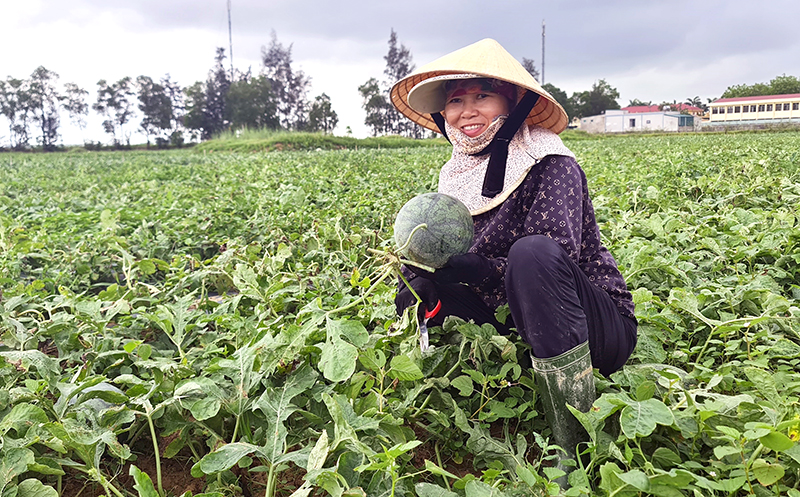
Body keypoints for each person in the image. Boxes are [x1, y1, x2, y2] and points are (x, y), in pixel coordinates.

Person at [390, 39, 637, 481]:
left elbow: (554, 261)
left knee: (532, 251)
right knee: (415, 283)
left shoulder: (550, 161)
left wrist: (486, 269)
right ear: (442, 115)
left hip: (594, 327)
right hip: (518, 323)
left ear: (512, 101)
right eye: (455, 101)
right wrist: (420, 277)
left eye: (481, 95)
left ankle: (573, 443)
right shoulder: (456, 173)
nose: (467, 111)